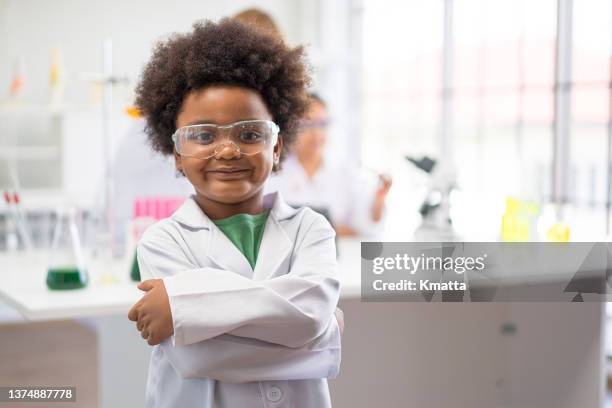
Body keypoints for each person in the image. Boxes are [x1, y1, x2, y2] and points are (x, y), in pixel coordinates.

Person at [126, 19, 343, 408]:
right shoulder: (162, 242)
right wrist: (325, 337)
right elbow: (199, 357)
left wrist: (185, 306)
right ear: (176, 153)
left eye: (249, 134)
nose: (227, 151)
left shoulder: (312, 230)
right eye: (204, 135)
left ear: (276, 148)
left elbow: (310, 313)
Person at [265, 93, 392, 237]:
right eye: (307, 124)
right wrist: (334, 229)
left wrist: (379, 200)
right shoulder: (273, 173)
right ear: (289, 127)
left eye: (322, 124)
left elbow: (365, 226)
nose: (317, 133)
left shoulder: (344, 171)